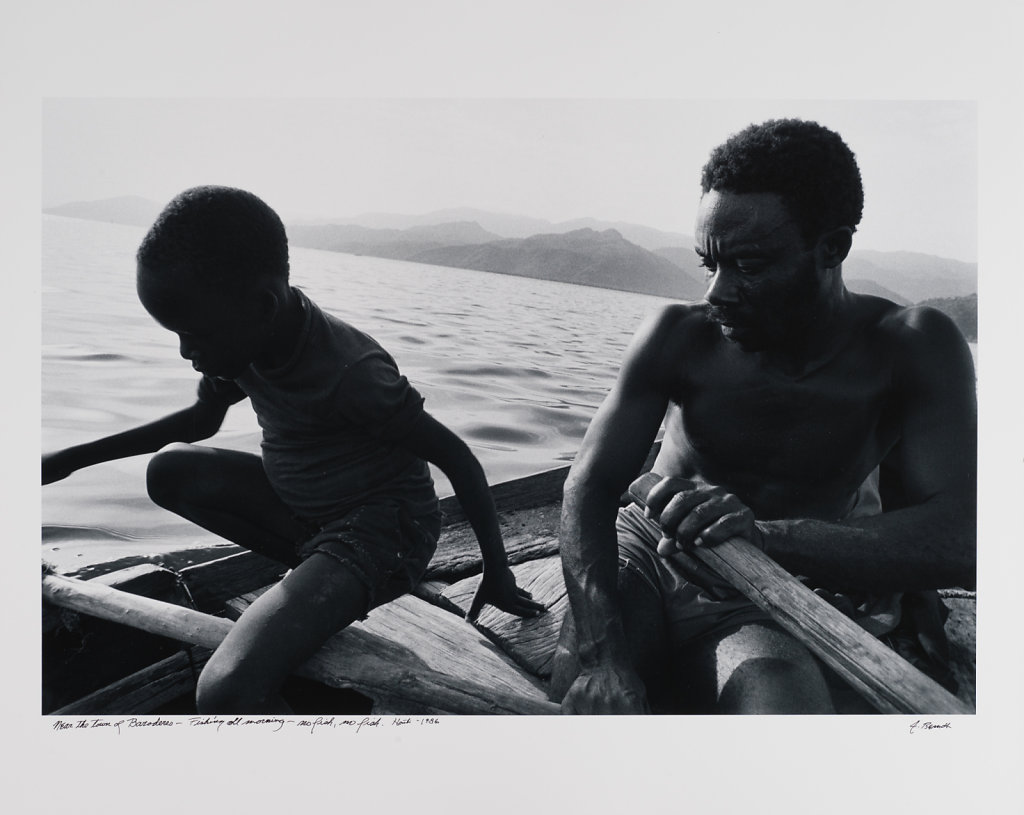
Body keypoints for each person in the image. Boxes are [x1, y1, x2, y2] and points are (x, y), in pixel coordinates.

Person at [42, 185, 545, 713]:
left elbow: (458, 458)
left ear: (261, 307)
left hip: (387, 533)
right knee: (169, 471)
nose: (187, 352)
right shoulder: (243, 340)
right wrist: (69, 460)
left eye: (193, 334)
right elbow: (198, 422)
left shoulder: (351, 375)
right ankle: (317, 574)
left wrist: (497, 568)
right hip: (312, 516)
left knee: (224, 691)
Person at [550, 119, 977, 714]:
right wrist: (603, 655)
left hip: (768, 584)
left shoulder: (910, 345)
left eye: (748, 266)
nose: (717, 292)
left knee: (782, 711)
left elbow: (963, 535)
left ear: (832, 248)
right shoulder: (680, 336)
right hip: (649, 551)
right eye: (709, 265)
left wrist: (769, 539)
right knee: (590, 695)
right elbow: (588, 485)